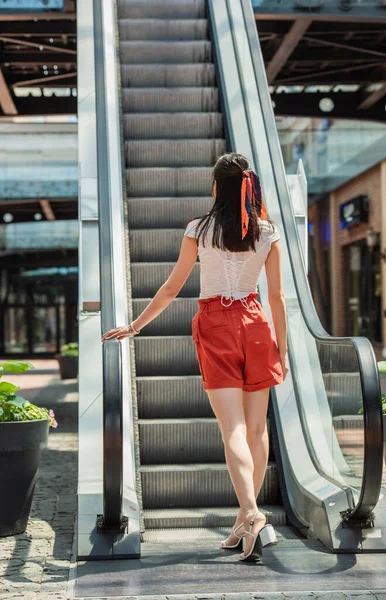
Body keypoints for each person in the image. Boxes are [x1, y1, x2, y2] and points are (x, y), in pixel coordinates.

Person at [101, 152, 289, 562]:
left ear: (215, 186)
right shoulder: (268, 231)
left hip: (216, 325)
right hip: (257, 326)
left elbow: (171, 287)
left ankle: (253, 515)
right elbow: (276, 298)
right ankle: (244, 520)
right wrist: (284, 351)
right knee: (257, 431)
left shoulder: (198, 229)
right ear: (248, 186)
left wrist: (135, 326)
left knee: (234, 431)